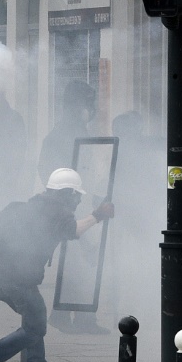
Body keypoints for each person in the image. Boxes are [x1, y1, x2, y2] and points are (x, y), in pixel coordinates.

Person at [0, 168, 115, 362]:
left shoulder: (35, 205)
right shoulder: (54, 211)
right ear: (67, 193)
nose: (78, 201)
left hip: (5, 276)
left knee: (33, 321)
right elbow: (72, 230)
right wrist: (98, 215)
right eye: (76, 196)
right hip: (18, 280)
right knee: (35, 326)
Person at [37, 80, 110, 335]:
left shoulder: (74, 130)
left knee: (79, 263)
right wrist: (67, 197)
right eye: (88, 103)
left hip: (77, 201)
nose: (91, 109)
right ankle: (71, 315)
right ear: (78, 105)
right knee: (78, 262)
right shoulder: (64, 134)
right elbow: (47, 169)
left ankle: (77, 316)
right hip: (71, 204)